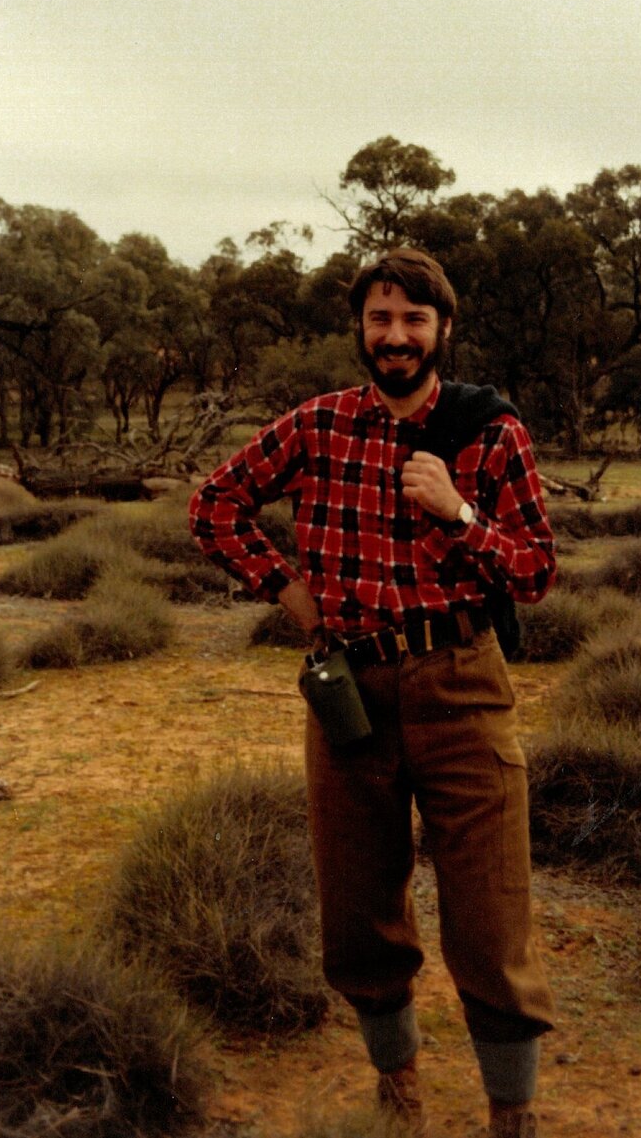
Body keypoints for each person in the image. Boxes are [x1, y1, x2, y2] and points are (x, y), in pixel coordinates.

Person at [189, 248, 557, 1137]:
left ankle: (513, 1116)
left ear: (442, 330)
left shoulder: (489, 432)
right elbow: (214, 506)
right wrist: (286, 589)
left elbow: (538, 570)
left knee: (489, 911)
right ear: (360, 328)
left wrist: (459, 514)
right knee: (358, 910)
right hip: (349, 688)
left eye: (413, 320)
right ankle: (399, 1094)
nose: (395, 337)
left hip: (462, 682)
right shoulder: (317, 426)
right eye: (380, 319)